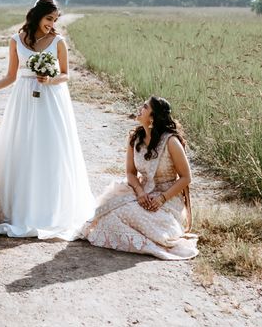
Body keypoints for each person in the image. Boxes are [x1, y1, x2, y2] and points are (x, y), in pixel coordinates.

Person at [0, 0, 95, 240]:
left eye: (55, 20)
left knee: (49, 149)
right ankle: (17, 208)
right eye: (48, 19)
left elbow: (66, 74)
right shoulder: (16, 40)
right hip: (23, 98)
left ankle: (49, 209)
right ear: (37, 15)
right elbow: (11, 76)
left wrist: (51, 79)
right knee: (21, 147)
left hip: (51, 99)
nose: (51, 24)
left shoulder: (58, 42)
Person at [82, 96, 198, 259]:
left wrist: (161, 199)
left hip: (168, 197)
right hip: (141, 192)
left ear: (153, 117)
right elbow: (130, 173)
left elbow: (186, 177)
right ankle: (136, 235)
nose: (140, 109)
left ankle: (156, 234)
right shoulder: (135, 138)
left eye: (144, 107)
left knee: (129, 214)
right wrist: (140, 192)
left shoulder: (170, 141)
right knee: (110, 212)